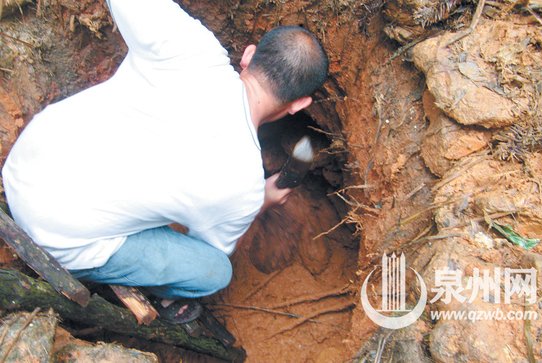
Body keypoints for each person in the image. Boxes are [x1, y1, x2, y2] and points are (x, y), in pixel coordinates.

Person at [2, 0, 328, 323]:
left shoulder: (189, 45)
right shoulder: (243, 185)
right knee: (214, 272)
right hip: (56, 235)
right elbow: (203, 250)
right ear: (300, 104)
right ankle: (160, 290)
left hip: (25, 164)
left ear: (249, 55)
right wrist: (261, 202)